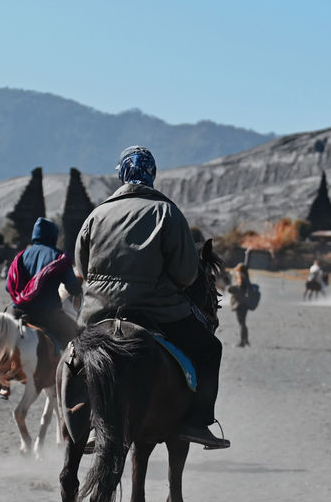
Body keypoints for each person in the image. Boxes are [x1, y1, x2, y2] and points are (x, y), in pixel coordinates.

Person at [75, 145, 229, 450]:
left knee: (72, 359)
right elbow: (186, 275)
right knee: (210, 349)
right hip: (156, 311)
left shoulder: (95, 215)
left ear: (120, 174)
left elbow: (81, 268)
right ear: (152, 175)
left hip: (97, 313)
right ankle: (197, 422)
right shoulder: (167, 212)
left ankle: (87, 421)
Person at [6, 217, 81, 347]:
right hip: (48, 314)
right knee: (78, 339)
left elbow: (8, 287)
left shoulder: (20, 256)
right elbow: (72, 288)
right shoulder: (59, 258)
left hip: (18, 310)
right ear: (54, 236)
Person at [228, 263, 251, 347]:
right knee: (243, 322)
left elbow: (240, 288)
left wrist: (232, 288)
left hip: (240, 303)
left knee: (241, 323)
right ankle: (246, 340)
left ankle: (242, 342)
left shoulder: (241, 277)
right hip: (245, 303)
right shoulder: (246, 277)